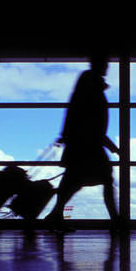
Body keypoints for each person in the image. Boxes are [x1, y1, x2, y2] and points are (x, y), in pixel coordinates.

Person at [44, 53, 121, 231]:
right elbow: (91, 121)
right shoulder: (92, 85)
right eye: (106, 64)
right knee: (101, 179)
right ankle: (115, 221)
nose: (107, 67)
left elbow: (74, 111)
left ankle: (55, 216)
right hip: (88, 145)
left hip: (82, 144)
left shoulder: (87, 82)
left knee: (73, 182)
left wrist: (65, 134)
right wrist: (110, 145)